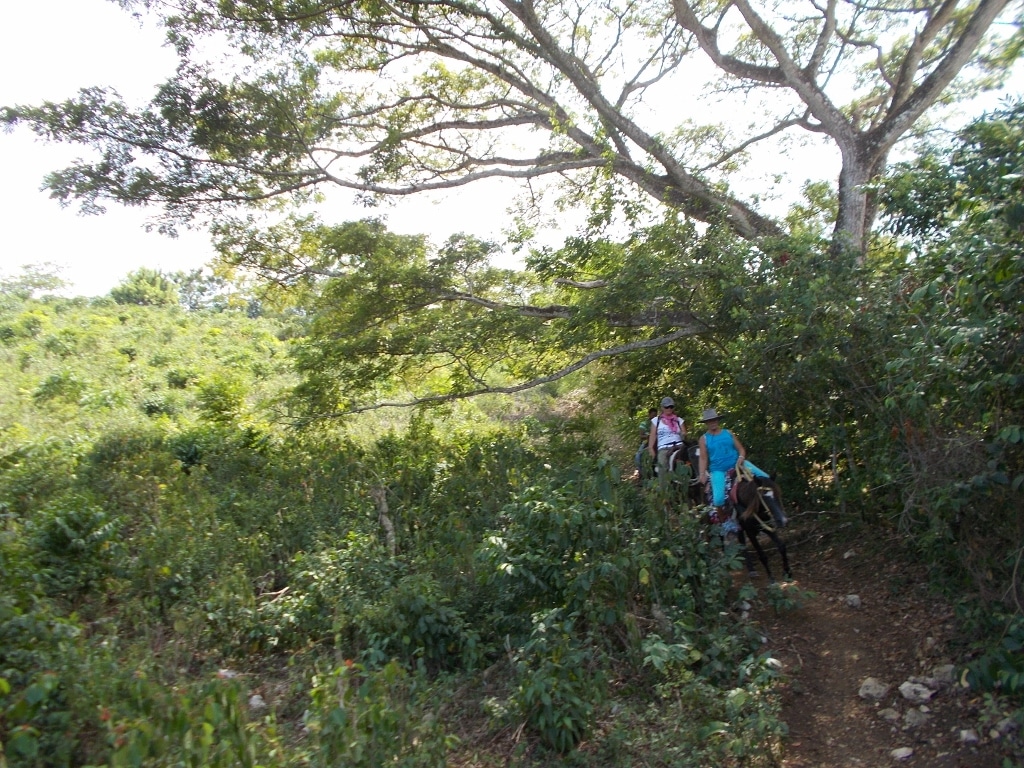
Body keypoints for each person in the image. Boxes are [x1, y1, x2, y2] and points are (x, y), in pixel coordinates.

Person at [696, 408, 770, 516]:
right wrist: (702, 473)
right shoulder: (704, 439)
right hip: (718, 470)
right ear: (706, 423)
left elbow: (741, 449)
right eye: (709, 421)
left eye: (714, 420)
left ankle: (773, 510)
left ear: (718, 420)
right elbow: (703, 458)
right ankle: (723, 520)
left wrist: (741, 457)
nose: (712, 422)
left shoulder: (728, 433)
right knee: (718, 499)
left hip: (738, 464)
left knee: (766, 478)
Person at [648, 397, 687, 479]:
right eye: (666, 407)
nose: (669, 409)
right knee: (662, 467)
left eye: (671, 407)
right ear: (662, 408)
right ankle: (663, 485)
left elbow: (684, 433)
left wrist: (682, 433)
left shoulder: (679, 420)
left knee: (692, 457)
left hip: (679, 445)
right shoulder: (656, 421)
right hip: (664, 447)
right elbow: (653, 435)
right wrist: (651, 449)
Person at [634, 407, 658, 474]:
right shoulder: (644, 424)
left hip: (657, 441)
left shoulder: (658, 424)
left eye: (655, 415)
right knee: (638, 456)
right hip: (646, 442)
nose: (654, 417)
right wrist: (648, 436)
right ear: (649, 415)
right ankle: (640, 471)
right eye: (653, 415)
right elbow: (641, 435)